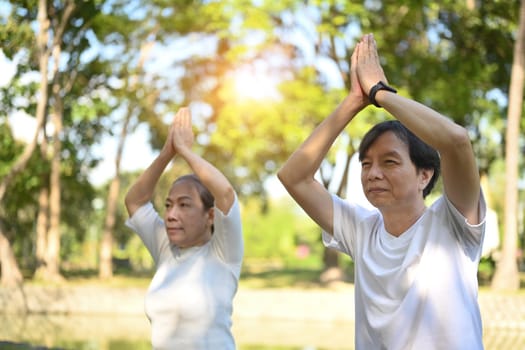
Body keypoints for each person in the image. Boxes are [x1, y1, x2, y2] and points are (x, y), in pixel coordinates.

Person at [277, 34, 486, 350]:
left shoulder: (453, 223)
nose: (373, 173)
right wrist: (353, 102)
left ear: (424, 175)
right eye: (366, 163)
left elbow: (456, 140)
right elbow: (293, 177)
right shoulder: (361, 230)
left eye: (389, 162)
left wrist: (381, 94)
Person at [124, 107, 243, 349]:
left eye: (184, 205)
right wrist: (169, 152)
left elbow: (226, 194)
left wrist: (186, 152)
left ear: (210, 216)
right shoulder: (165, 247)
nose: (171, 215)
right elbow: (134, 201)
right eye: (168, 206)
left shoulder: (223, 253)